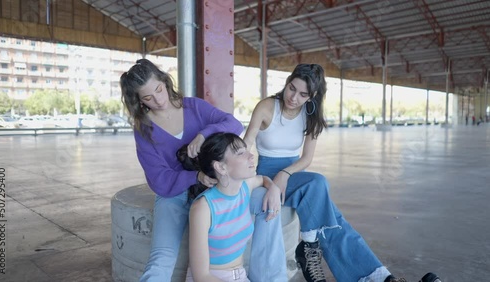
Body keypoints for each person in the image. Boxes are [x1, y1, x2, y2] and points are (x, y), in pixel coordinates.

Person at [243, 63, 442, 282]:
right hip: (267, 173)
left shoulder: (311, 116)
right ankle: (311, 248)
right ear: (287, 82)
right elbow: (247, 144)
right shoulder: (267, 106)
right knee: (319, 185)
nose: (293, 98)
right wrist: (255, 178)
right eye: (292, 88)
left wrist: (285, 174)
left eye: (302, 94)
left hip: (293, 176)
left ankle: (382, 278)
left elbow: (306, 159)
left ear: (313, 96)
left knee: (333, 219)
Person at [120, 58, 286, 282]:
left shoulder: (193, 106)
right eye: (148, 97)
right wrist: (195, 176)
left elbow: (233, 124)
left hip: (217, 187)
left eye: (159, 89)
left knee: (267, 203)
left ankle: (270, 278)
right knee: (162, 256)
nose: (158, 100)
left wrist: (203, 134)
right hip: (175, 194)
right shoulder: (144, 131)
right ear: (139, 101)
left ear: (165, 82)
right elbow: (159, 180)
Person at [177, 132, 282, 282]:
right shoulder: (203, 208)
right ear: (221, 167)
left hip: (240, 275)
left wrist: (273, 188)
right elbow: (201, 276)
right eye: (241, 153)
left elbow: (263, 179)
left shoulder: (245, 187)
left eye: (246, 150)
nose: (251, 155)